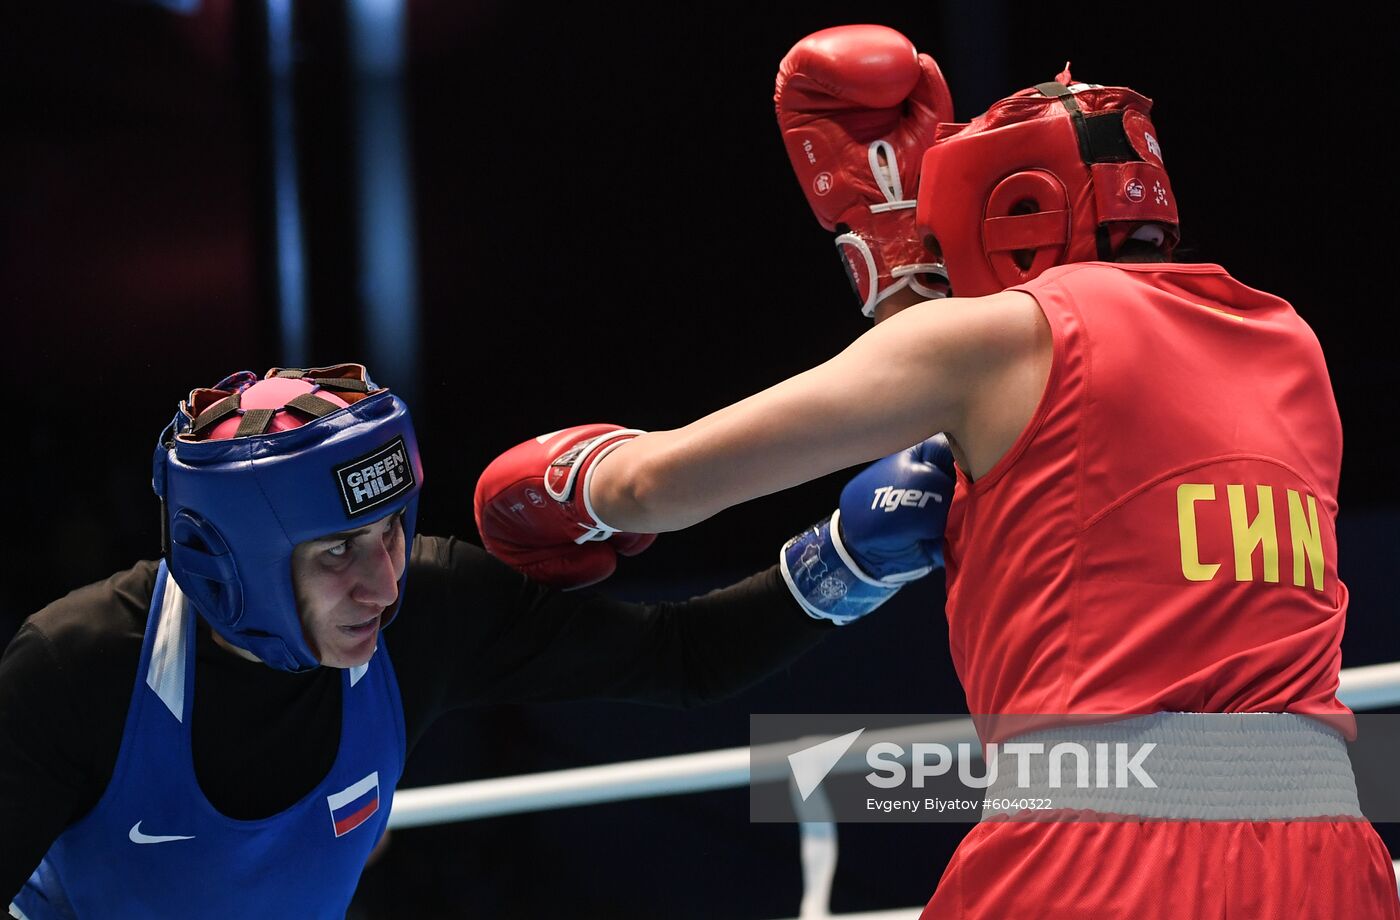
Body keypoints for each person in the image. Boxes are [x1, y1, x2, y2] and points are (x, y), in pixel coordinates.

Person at [473, 24, 1400, 918]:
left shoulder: (990, 339)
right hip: (1327, 846)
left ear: (1009, 218)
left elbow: (659, 489)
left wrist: (571, 487)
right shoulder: (1288, 342)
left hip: (1103, 847)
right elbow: (1076, 425)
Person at [0, 363, 954, 918]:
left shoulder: (429, 607)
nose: (384, 581)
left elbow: (681, 657)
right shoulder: (80, 666)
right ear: (228, 565)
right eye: (338, 552)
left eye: (390, 534)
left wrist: (850, 561)